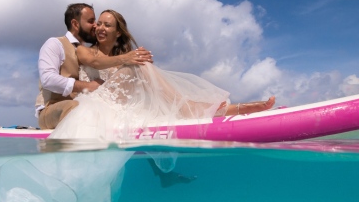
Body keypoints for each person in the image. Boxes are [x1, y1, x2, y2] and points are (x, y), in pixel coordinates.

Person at [50, 9, 275, 140]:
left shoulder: (128, 57)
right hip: (96, 104)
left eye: (107, 25)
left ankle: (208, 108)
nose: (100, 28)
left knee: (142, 67)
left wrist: (134, 62)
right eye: (98, 23)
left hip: (119, 104)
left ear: (118, 32)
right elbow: (96, 62)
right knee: (140, 66)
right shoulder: (85, 51)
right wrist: (129, 61)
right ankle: (195, 108)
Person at [36, 3, 153, 129]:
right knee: (76, 108)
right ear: (75, 24)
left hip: (83, 105)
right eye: (91, 21)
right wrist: (87, 86)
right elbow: (48, 79)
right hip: (52, 109)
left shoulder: (86, 50)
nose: (95, 25)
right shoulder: (55, 44)